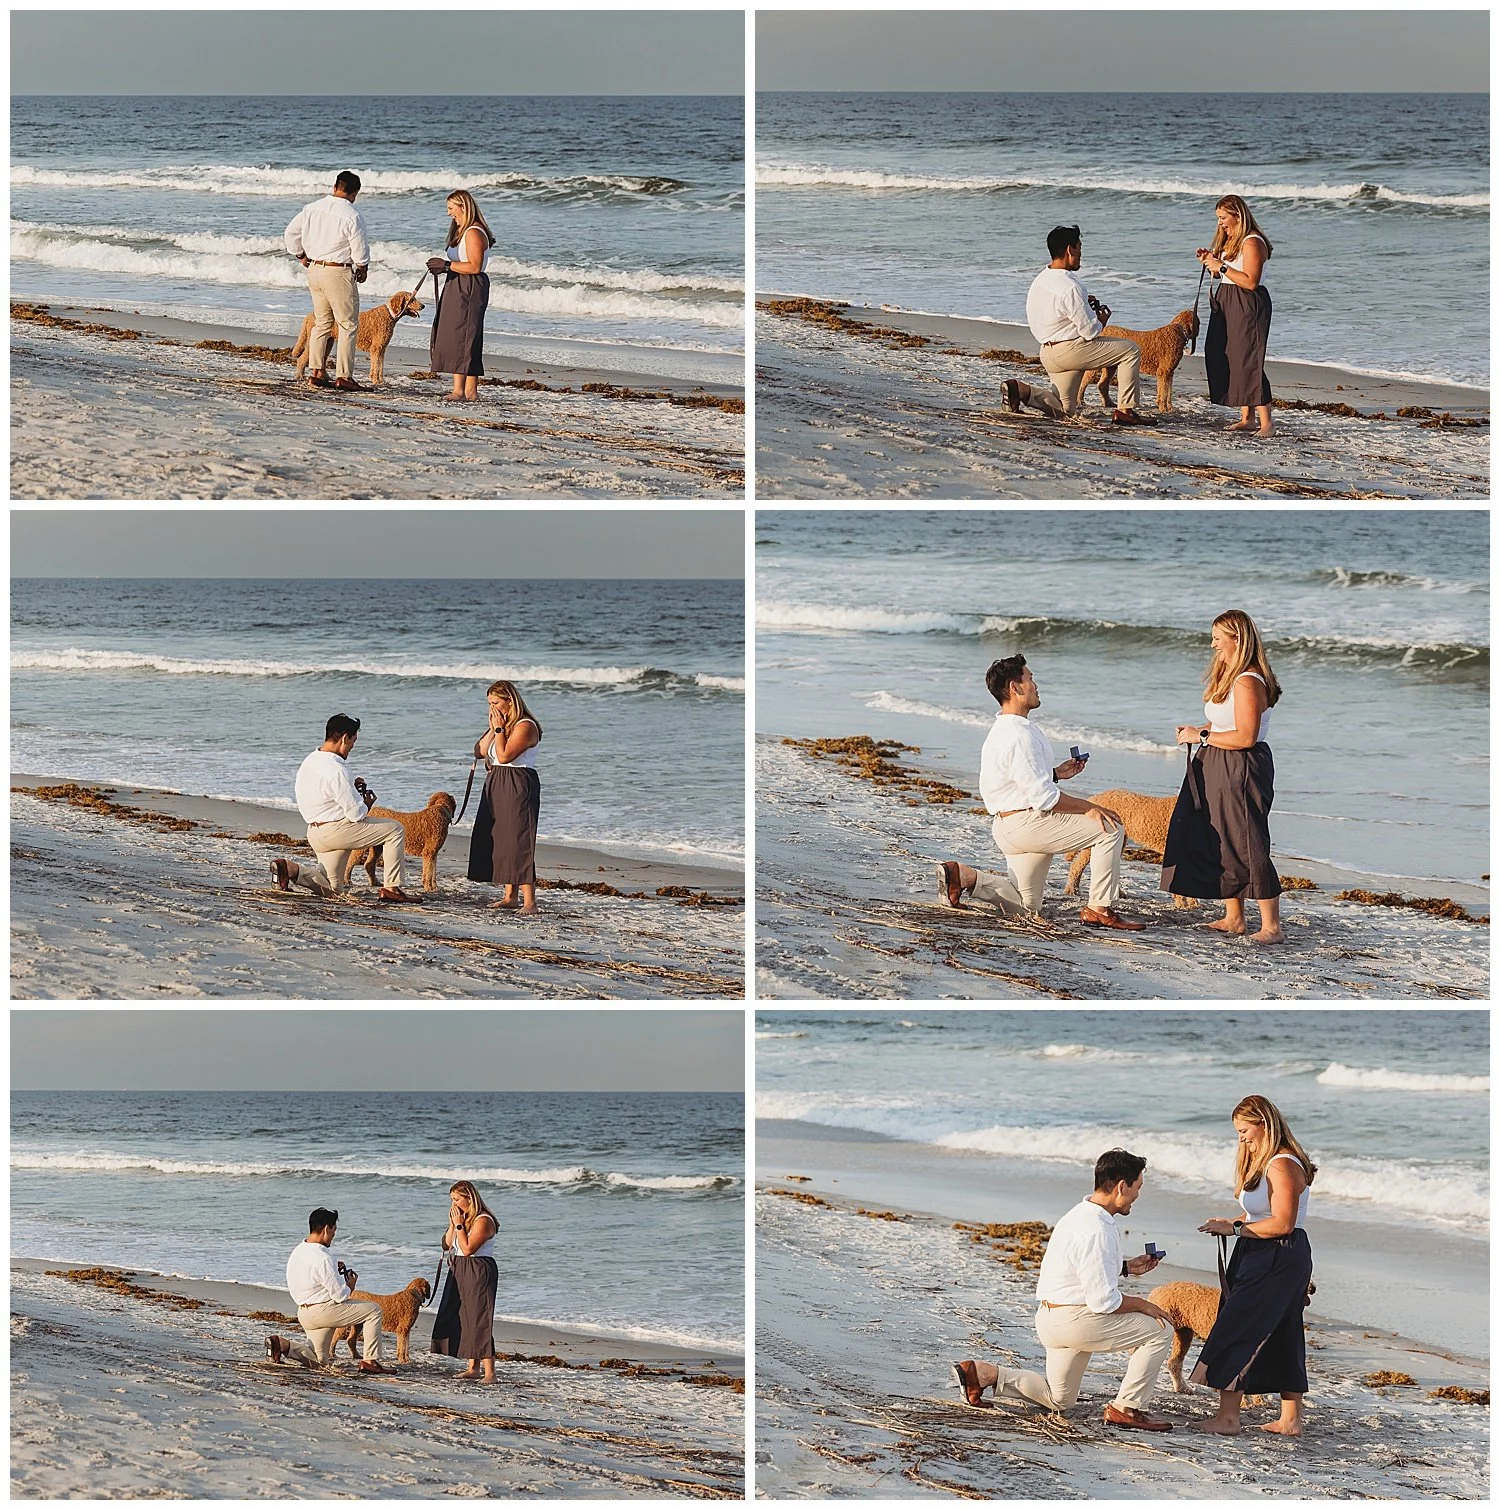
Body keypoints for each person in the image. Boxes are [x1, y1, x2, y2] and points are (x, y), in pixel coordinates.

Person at [952, 1149, 1173, 1431]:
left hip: (1051, 1319)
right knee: (1161, 1327)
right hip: (1076, 1321)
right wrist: (1144, 1304)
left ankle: (982, 1374)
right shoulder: (1098, 1230)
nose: (1138, 1195)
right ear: (1121, 1186)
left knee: (1059, 1400)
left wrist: (1127, 1267)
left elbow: (1081, 1268)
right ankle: (1125, 1408)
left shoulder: (1079, 1214)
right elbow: (1104, 1301)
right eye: (1138, 1187)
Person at [935, 655, 1146, 931]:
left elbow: (1023, 781)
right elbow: (1045, 798)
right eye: (1030, 679)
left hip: (1008, 825)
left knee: (1026, 907)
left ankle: (963, 876)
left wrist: (1057, 773)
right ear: (1015, 687)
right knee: (1110, 826)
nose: (1035, 685)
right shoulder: (1020, 736)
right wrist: (1089, 807)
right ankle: (1099, 908)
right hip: (1027, 824)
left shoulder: (1004, 729)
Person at [1191, 1096, 1316, 1436]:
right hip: (1264, 1250)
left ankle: (1228, 1418)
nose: (1241, 1138)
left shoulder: (1282, 1163)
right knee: (1283, 1331)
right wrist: (1230, 1222)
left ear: (1264, 1123)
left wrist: (1233, 1229)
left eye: (1244, 1130)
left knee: (1238, 1326)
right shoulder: (1267, 1162)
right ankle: (1290, 1421)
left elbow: (1283, 1224)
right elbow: (1260, 1215)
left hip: (1277, 1253)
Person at [1160, 610, 1283, 943]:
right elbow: (1222, 725)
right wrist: (1198, 730)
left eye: (1218, 637)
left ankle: (1272, 927)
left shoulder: (1248, 680)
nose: (1213, 643)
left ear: (1237, 639)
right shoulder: (1231, 675)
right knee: (1221, 838)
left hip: (1241, 766)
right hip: (1218, 761)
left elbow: (1245, 736)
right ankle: (1234, 918)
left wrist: (1200, 738)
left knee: (1248, 839)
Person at [1002, 225, 1156, 427]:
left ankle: (1021, 390)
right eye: (1080, 248)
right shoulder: (1072, 287)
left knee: (1065, 411)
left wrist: (1084, 306)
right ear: (1069, 250)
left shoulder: (1041, 279)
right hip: (1071, 351)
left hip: (1048, 352)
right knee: (1131, 350)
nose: (1081, 253)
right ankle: (1125, 410)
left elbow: (1058, 313)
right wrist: (1101, 319)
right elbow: (1090, 332)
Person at [270, 713, 411, 902]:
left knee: (332, 889)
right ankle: (392, 888)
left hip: (315, 832)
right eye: (353, 740)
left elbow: (325, 792)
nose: (353, 746)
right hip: (337, 831)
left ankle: (291, 869)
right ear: (345, 738)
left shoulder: (311, 760)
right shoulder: (338, 770)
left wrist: (351, 787)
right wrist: (367, 804)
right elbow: (356, 814)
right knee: (395, 829)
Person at [265, 1207, 389, 1372]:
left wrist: (334, 1273)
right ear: (326, 1229)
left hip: (305, 1313)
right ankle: (370, 1362)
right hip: (323, 1311)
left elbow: (313, 1278)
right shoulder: (324, 1257)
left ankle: (282, 1344)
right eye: (334, 1230)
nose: (334, 1234)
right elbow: (340, 1296)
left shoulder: (299, 1250)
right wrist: (350, 1285)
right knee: (374, 1310)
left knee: (319, 1361)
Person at [284, 170, 370, 391]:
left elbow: (291, 233)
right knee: (347, 324)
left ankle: (317, 371)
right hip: (337, 271)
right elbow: (359, 249)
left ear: (335, 187)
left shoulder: (311, 208)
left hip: (314, 269)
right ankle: (344, 376)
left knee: (322, 322)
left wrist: (300, 255)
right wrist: (362, 267)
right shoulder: (352, 214)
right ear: (354, 193)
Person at [1198, 194, 1274, 437]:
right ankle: (1247, 418)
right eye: (1218, 218)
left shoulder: (1252, 242)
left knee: (1249, 360)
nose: (1220, 223)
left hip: (1247, 303)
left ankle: (1267, 424)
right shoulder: (1233, 240)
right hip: (1228, 298)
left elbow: (1250, 282)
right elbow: (1230, 275)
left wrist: (1220, 265)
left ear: (1237, 215)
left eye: (1223, 217)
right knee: (1230, 355)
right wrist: (1211, 262)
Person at [467, 680, 542, 912]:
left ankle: (530, 901)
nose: (493, 708)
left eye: (496, 703)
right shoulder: (500, 724)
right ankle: (510, 896)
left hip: (517, 781)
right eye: (490, 703)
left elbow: (506, 755)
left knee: (519, 840)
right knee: (501, 839)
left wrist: (499, 729)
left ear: (510, 700)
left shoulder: (525, 726)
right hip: (496, 780)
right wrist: (493, 728)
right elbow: (478, 752)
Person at [427, 190, 495, 402]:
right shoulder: (462, 231)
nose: (449, 213)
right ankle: (462, 390)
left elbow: (474, 266)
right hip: (458, 283)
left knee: (466, 335)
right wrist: (444, 268)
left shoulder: (474, 232)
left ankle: (467, 391)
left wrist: (446, 265)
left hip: (470, 286)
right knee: (459, 335)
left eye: (451, 208)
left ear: (463, 207)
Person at [431, 1180, 499, 1383]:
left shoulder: (483, 1220)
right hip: (460, 1268)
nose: (454, 1204)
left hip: (478, 1268)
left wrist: (460, 1225)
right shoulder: (463, 1218)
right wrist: (454, 1224)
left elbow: (469, 1248)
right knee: (464, 1317)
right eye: (452, 1200)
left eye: (457, 1199)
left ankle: (490, 1373)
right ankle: (473, 1367)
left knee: (479, 1319)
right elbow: (446, 1245)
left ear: (469, 1197)